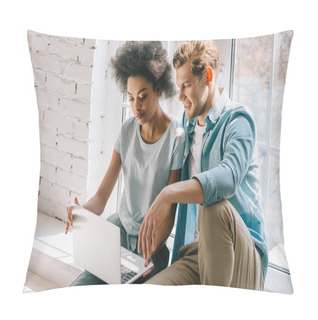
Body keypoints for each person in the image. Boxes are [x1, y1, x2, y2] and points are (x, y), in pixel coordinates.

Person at [138, 40, 268, 290]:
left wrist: (168, 194)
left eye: (186, 85)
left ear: (207, 76)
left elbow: (227, 178)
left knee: (213, 207)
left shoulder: (238, 120)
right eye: (178, 86)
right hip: (198, 255)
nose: (180, 96)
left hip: (243, 257)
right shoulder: (185, 130)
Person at [65, 41, 185, 286]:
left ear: (159, 89)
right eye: (130, 98)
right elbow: (101, 197)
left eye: (142, 97)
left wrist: (148, 253)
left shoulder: (177, 137)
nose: (136, 107)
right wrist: (81, 213)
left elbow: (170, 213)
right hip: (117, 233)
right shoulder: (126, 131)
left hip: (153, 245)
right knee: (82, 286)